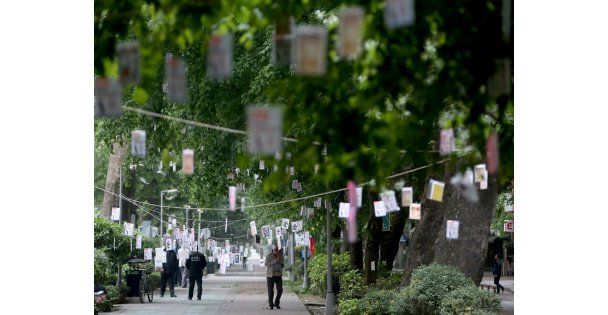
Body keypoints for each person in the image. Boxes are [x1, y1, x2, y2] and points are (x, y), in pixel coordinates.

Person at [265, 244, 284, 310]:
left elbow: (282, 262)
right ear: (272, 250)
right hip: (270, 275)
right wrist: (276, 260)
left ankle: (276, 303)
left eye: (277, 250)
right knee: (270, 291)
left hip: (278, 275)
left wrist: (280, 259)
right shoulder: (269, 255)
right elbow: (266, 264)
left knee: (280, 290)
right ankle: (271, 305)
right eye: (275, 250)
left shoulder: (280, 255)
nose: (276, 251)